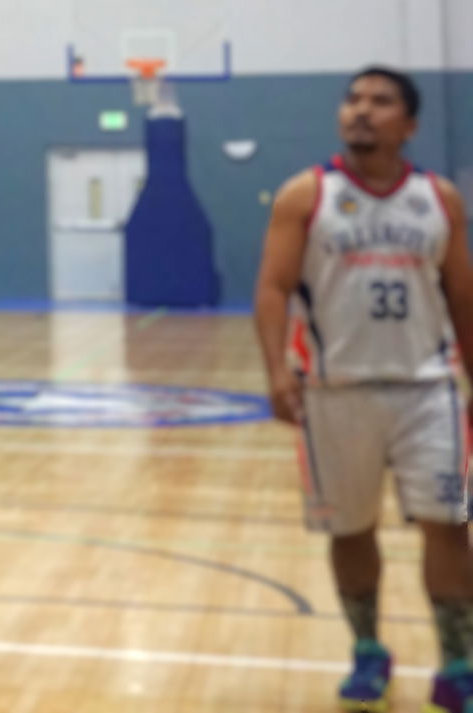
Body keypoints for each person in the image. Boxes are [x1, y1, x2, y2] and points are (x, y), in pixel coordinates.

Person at [254, 66, 473, 713]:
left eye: (380, 101)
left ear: (409, 123)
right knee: (351, 530)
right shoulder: (306, 194)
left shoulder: (439, 198)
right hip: (334, 389)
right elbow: (273, 288)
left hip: (428, 389)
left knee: (450, 525)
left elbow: (462, 295)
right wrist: (275, 370)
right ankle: (368, 651)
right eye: (353, 99)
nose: (361, 110)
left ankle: (457, 661)